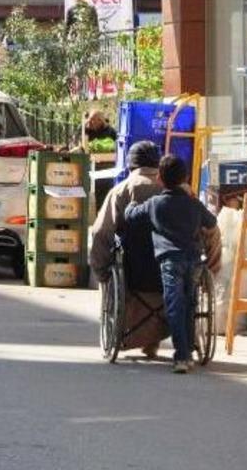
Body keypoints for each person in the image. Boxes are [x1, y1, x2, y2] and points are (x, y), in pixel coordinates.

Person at [125, 155, 220, 374]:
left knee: (174, 306)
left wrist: (131, 204)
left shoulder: (154, 204)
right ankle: (188, 351)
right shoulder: (194, 204)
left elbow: (131, 216)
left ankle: (182, 356)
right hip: (193, 260)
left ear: (159, 178)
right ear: (185, 178)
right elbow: (211, 221)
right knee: (190, 304)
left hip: (170, 261)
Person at [90, 141, 163, 359]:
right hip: (170, 270)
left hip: (133, 271)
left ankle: (127, 332)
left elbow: (101, 232)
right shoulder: (175, 190)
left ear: (130, 164)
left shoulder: (121, 191)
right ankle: (155, 339)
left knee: (111, 268)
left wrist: (101, 271)